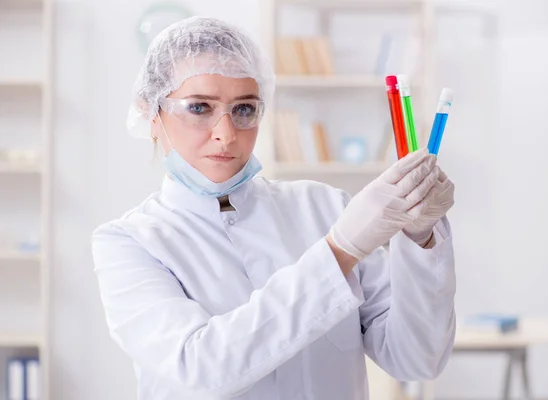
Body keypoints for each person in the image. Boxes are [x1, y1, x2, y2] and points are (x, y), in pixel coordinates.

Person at [91, 16, 456, 400]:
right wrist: (338, 252)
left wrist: (422, 237)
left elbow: (418, 360)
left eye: (244, 109)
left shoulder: (324, 206)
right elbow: (200, 369)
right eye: (199, 107)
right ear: (151, 113)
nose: (226, 133)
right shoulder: (129, 242)